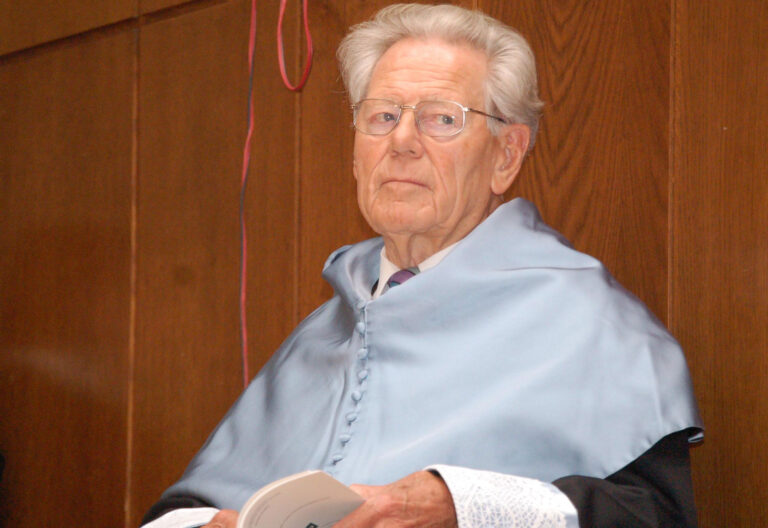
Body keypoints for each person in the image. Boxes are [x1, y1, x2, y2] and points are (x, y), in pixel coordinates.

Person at [142, 4, 702, 527]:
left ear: (506, 155)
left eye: (441, 119)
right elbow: (188, 504)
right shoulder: (325, 329)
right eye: (382, 116)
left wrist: (460, 507)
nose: (402, 141)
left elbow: (650, 513)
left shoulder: (586, 317)